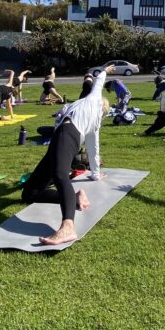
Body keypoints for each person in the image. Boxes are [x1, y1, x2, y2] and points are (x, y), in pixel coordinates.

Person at [21, 65, 115, 245]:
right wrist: (95, 174)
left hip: (67, 135)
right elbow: (93, 150)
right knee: (29, 194)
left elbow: (98, 84)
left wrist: (104, 71)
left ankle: (67, 226)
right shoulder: (93, 121)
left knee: (60, 175)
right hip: (61, 138)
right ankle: (76, 197)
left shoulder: (94, 104)